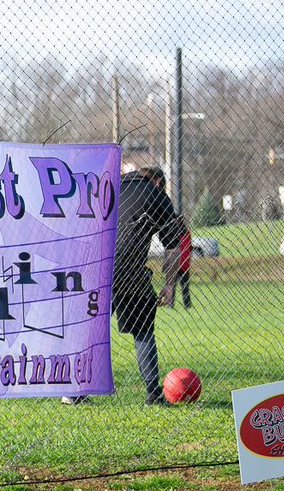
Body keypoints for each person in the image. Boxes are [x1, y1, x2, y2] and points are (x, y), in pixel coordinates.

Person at [64, 167, 184, 406]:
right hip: (129, 270)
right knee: (143, 330)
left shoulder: (108, 187)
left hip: (94, 267)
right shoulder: (156, 194)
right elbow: (173, 247)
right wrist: (170, 285)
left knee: (91, 330)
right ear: (158, 180)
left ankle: (75, 392)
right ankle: (153, 394)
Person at [168, 216, 192, 309]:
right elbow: (190, 248)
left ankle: (170, 305)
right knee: (185, 287)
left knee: (172, 286)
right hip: (185, 264)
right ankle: (187, 305)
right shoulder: (187, 233)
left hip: (175, 263)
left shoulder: (173, 234)